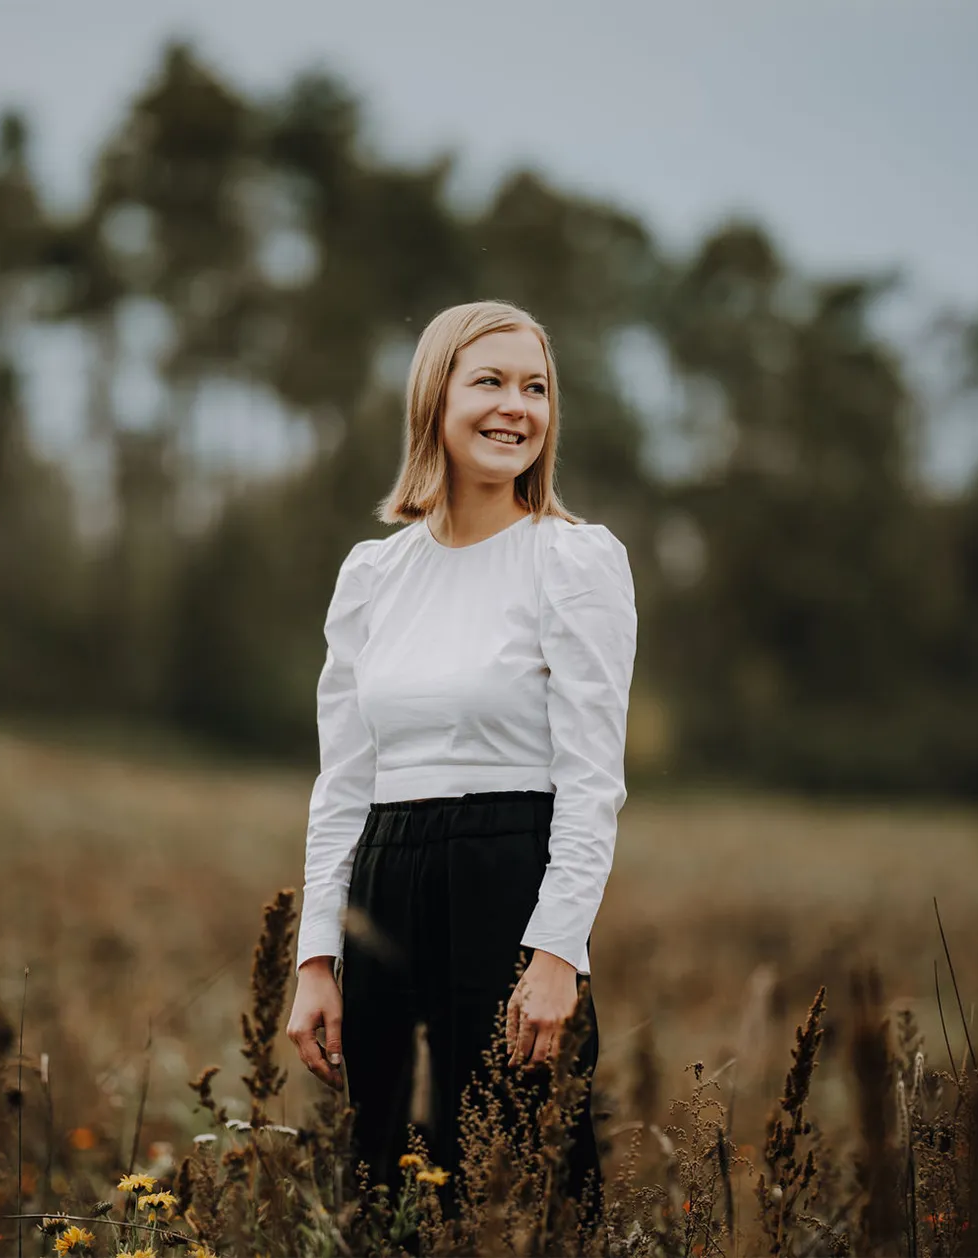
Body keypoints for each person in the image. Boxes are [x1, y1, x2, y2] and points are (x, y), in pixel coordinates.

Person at [286, 299, 638, 1240]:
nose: (516, 406)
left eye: (536, 388)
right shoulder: (372, 574)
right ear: (434, 399)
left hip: (509, 876)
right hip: (386, 883)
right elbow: (342, 785)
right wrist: (317, 955)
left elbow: (593, 777)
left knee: (525, 1187)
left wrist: (559, 952)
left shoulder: (572, 560)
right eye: (490, 381)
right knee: (391, 1191)